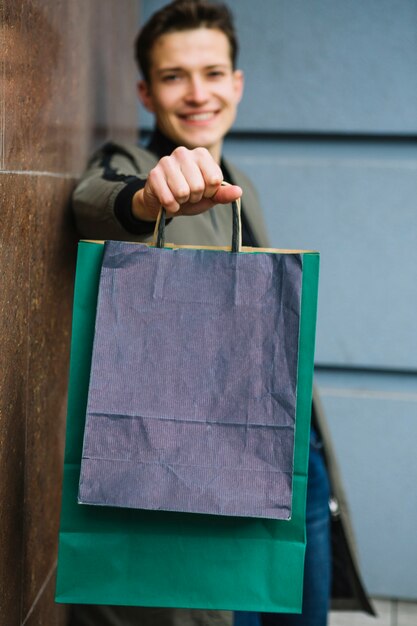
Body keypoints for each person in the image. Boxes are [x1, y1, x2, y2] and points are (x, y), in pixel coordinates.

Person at [69, 2, 374, 625]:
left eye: (212, 72)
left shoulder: (243, 184)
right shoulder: (131, 160)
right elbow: (93, 200)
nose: (197, 92)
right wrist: (151, 197)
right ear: (146, 93)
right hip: (209, 473)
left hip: (294, 459)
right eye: (174, 76)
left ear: (237, 84)